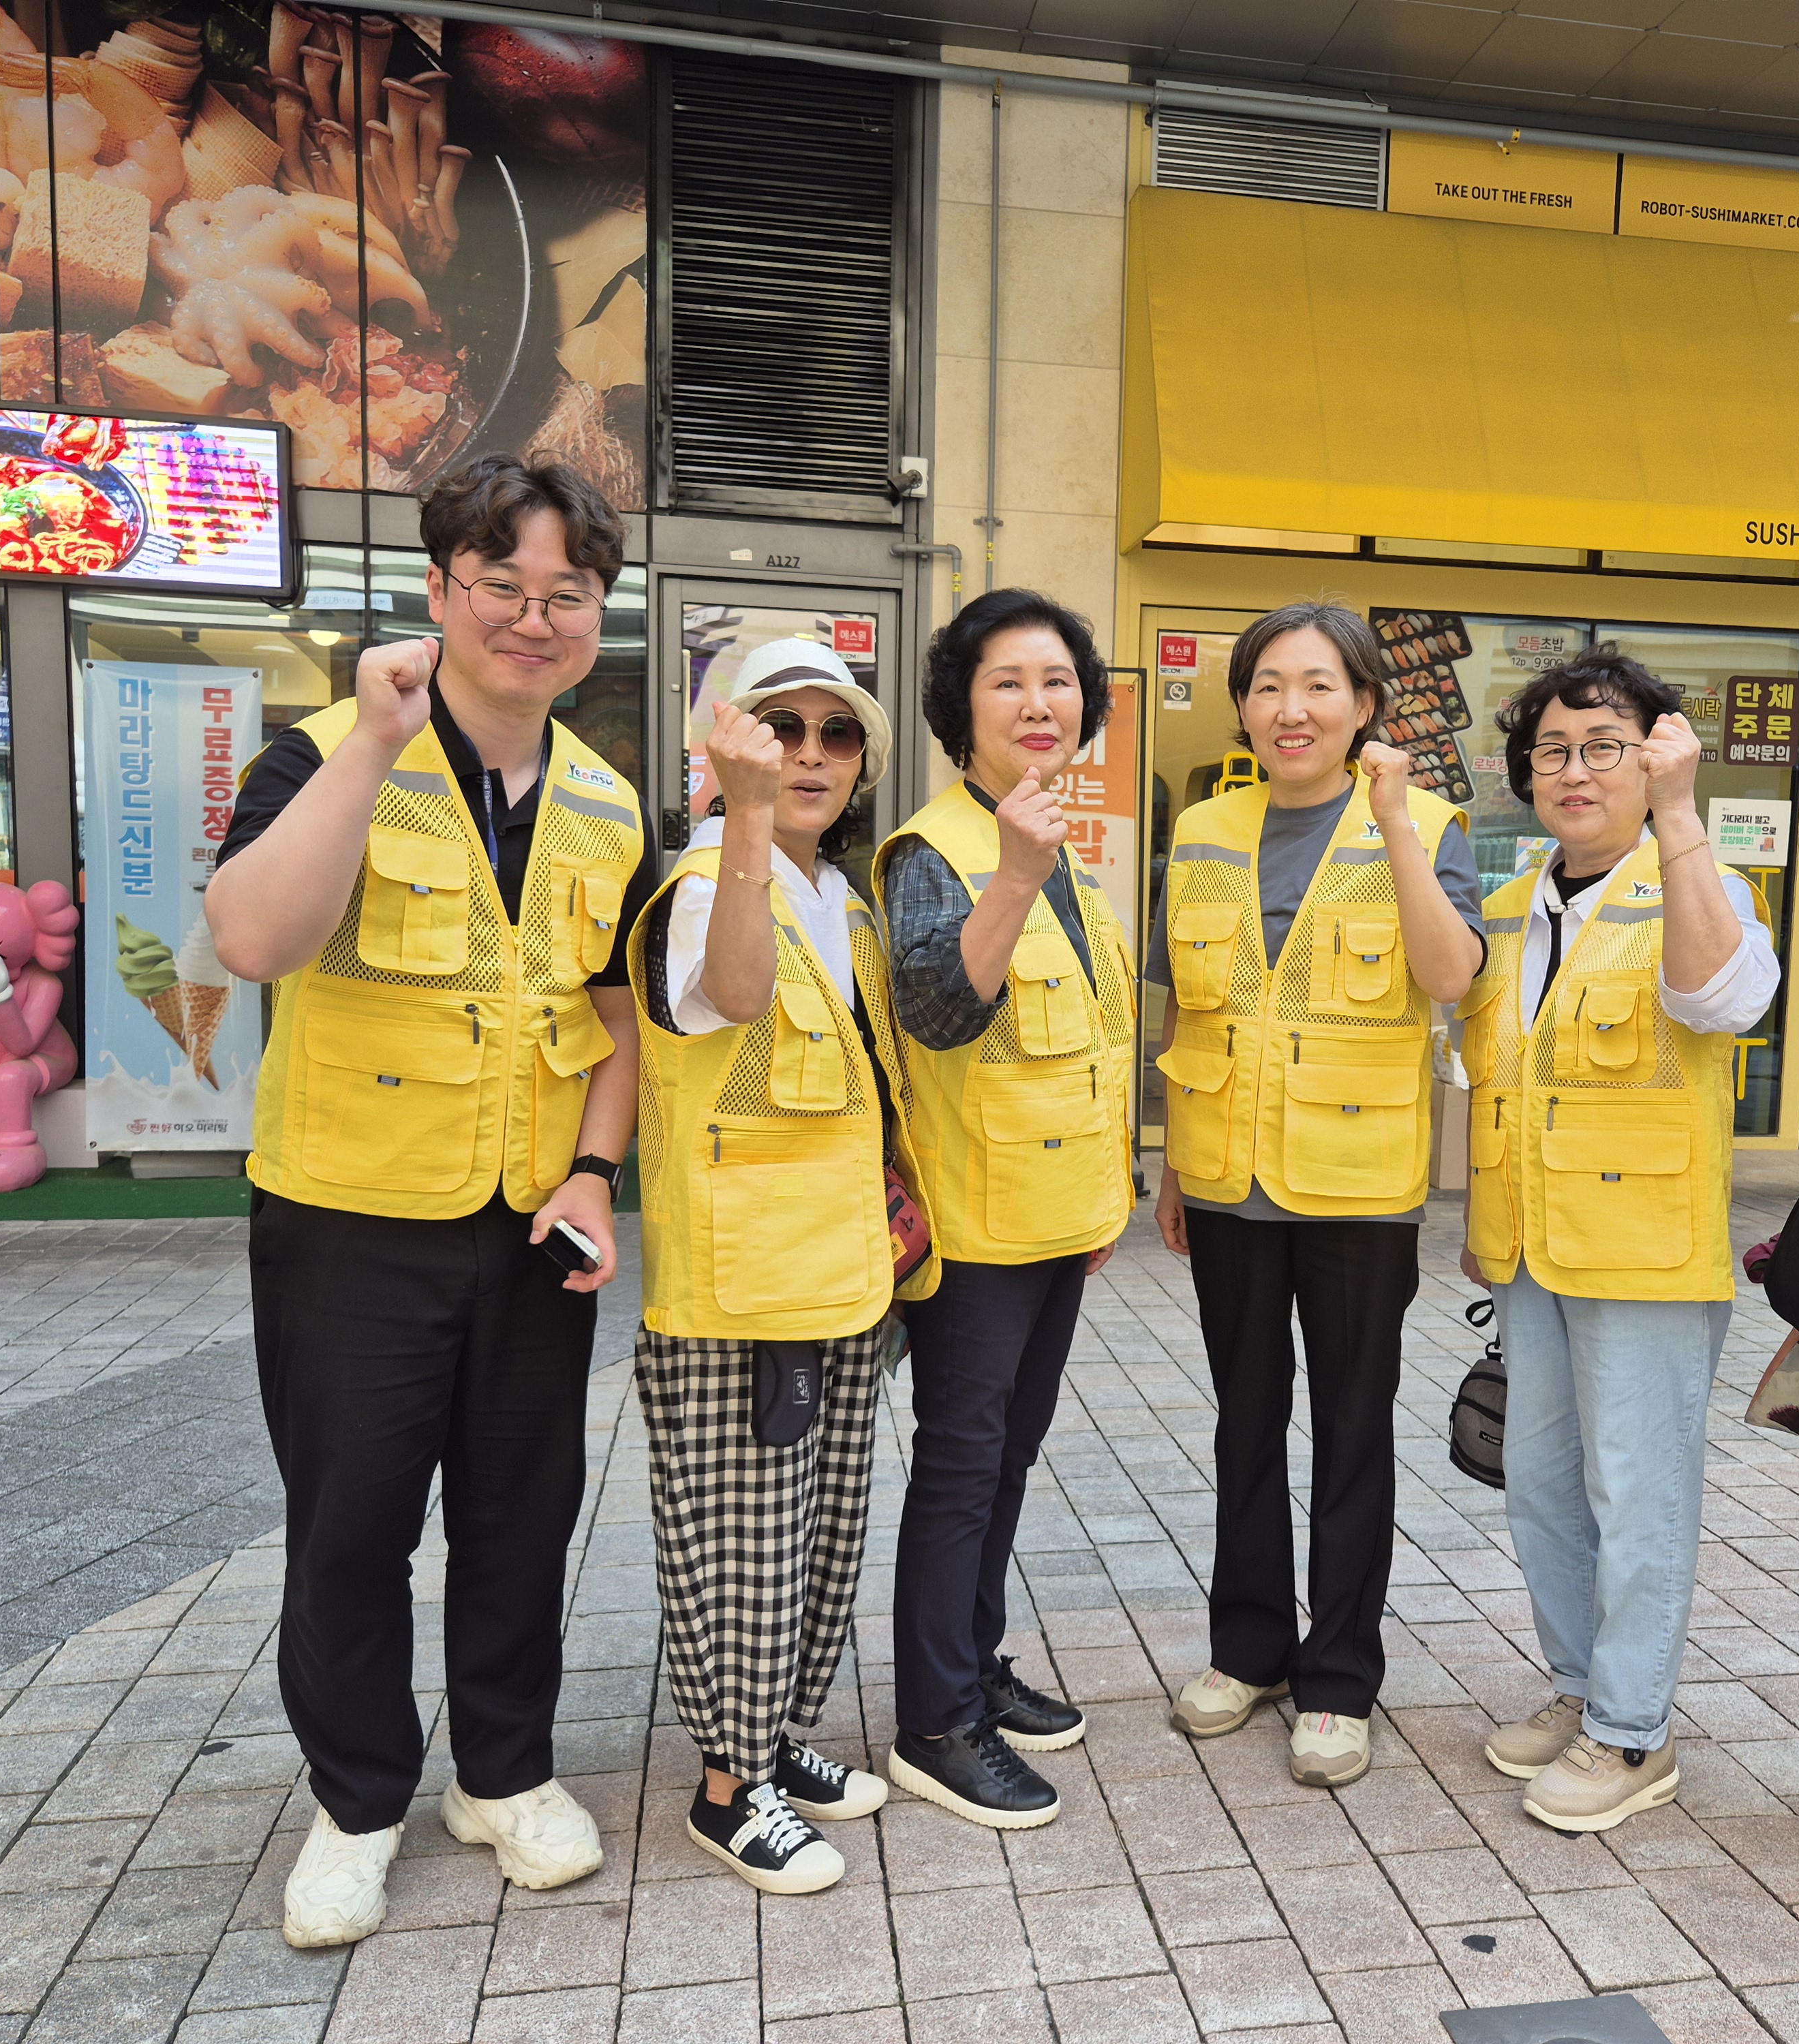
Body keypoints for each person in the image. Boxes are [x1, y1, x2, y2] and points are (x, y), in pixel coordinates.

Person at [208, 454, 650, 1949]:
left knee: (526, 1513)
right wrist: (367, 750)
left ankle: (504, 1775)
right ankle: (352, 1803)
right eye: (502, 588)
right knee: (351, 1525)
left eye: (566, 595)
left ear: (599, 611)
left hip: (532, 1220)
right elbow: (253, 940)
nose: (533, 621)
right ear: (441, 591)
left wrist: (596, 1170)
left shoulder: (602, 798)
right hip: (349, 1217)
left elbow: (617, 1014)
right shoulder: (328, 747)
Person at [1148, 601, 1486, 1790]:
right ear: (1242, 705)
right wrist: (1176, 1168)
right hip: (1227, 1180)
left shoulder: (1432, 824)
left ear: (1363, 705)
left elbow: (1452, 977)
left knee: (1350, 1432)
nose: (1292, 709)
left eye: (1319, 686)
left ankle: (1340, 1678)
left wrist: (1393, 822)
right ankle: (1248, 1651)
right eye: (1268, 686)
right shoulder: (1201, 828)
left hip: (1357, 1189)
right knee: (1246, 1422)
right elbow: (1184, 1004)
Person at [1456, 645, 1780, 1833]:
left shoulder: (1702, 882)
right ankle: (1584, 1686)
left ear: (1657, 759)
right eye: (1555, 751)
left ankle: (1634, 1731)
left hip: (1646, 1254)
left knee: (1637, 1492)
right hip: (1533, 1248)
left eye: (1608, 748)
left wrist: (1686, 819)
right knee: (1542, 1483)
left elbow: (1724, 1002)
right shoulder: (1513, 904)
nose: (1577, 771)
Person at [625, 638, 922, 1893]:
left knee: (819, 1535)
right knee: (740, 1545)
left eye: (835, 733)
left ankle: (778, 1743)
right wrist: (743, 823)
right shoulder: (709, 879)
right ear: (730, 745)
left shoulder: (839, 899)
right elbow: (732, 997)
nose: (809, 754)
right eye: (781, 728)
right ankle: (724, 1788)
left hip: (840, 1270)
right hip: (738, 1284)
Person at [876, 587, 1134, 1829]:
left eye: (1060, 680)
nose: (1041, 703)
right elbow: (937, 1010)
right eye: (1008, 682)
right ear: (958, 710)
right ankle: (935, 1722)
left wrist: (1096, 1206)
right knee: (962, 1468)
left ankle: (972, 1667)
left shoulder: (1047, 839)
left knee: (1007, 1457)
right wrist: (1015, 883)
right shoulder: (938, 849)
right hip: (974, 1227)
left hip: (1051, 1217)